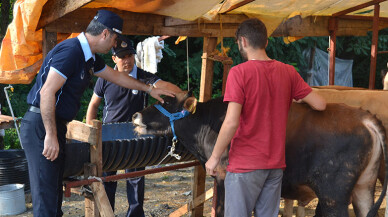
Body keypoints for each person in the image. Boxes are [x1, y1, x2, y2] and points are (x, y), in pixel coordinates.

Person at [20, 9, 174, 217]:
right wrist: (50, 134)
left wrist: (150, 89)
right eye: (114, 40)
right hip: (41, 124)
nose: (114, 45)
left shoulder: (89, 58)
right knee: (45, 199)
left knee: (54, 195)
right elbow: (47, 91)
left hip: (54, 124)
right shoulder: (72, 51)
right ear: (105, 34)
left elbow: (118, 77)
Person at [204, 18, 326, 217]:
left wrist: (215, 157)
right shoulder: (288, 72)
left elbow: (231, 121)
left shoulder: (238, 73)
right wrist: (294, 98)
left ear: (242, 41)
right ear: (266, 42)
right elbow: (320, 104)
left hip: (245, 165)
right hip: (274, 167)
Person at [86, 36, 181, 217]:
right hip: (108, 137)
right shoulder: (105, 79)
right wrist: (90, 132)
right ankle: (107, 213)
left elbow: (163, 86)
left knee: (136, 179)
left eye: (130, 55)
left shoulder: (144, 77)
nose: (127, 60)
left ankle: (136, 214)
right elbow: (93, 105)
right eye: (122, 57)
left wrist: (181, 95)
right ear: (114, 58)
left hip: (136, 136)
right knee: (107, 180)